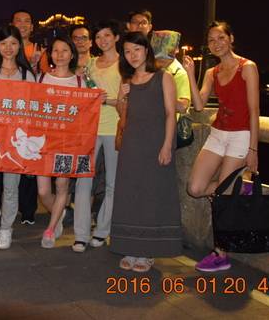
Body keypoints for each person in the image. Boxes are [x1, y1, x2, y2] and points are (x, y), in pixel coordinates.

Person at [183, 21, 260, 272]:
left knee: (223, 199)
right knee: (195, 188)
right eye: (211, 40)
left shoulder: (247, 67)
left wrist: (253, 150)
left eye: (221, 38)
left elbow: (254, 110)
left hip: (240, 137)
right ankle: (237, 189)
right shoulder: (212, 72)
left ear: (231, 38)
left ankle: (221, 253)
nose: (216, 43)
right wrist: (191, 74)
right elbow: (198, 106)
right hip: (218, 134)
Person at [111, 31, 181, 272]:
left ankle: (148, 251)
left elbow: (171, 114)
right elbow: (123, 115)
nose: (132, 55)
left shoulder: (163, 77)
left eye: (137, 50)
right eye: (127, 51)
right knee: (130, 194)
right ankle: (130, 247)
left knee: (152, 195)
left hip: (155, 143)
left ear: (146, 50)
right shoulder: (127, 80)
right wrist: (122, 98)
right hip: (132, 144)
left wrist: (167, 145)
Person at [0, 25, 36, 249]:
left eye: (13, 43)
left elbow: (34, 108)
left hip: (15, 141)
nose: (8, 48)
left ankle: (6, 228)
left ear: (19, 46)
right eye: (4, 43)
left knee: (11, 187)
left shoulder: (26, 75)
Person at [36, 36, 91, 248]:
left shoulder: (79, 82)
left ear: (72, 54)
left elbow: (86, 113)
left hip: (67, 144)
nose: (59, 55)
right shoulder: (41, 78)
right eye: (55, 50)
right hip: (43, 143)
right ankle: (59, 216)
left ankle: (50, 230)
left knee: (61, 186)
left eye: (65, 50)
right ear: (50, 54)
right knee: (43, 191)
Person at [72, 20, 121, 253]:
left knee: (112, 182)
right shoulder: (89, 64)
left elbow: (128, 100)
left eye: (107, 35)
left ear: (116, 37)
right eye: (99, 36)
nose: (103, 40)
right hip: (89, 128)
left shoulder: (125, 64)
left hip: (114, 128)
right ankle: (80, 234)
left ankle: (102, 230)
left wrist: (107, 100)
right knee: (83, 180)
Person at [11, 10, 44, 224]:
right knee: (8, 159)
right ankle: (4, 206)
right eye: (18, 21)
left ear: (32, 26)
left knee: (29, 160)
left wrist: (35, 66)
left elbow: (45, 80)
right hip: (10, 112)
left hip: (31, 112)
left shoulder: (40, 51)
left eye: (27, 21)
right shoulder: (6, 47)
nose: (22, 24)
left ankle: (28, 210)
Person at [151, 30, 190, 116]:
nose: (161, 59)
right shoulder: (148, 70)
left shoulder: (179, 73)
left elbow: (183, 106)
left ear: (176, 50)